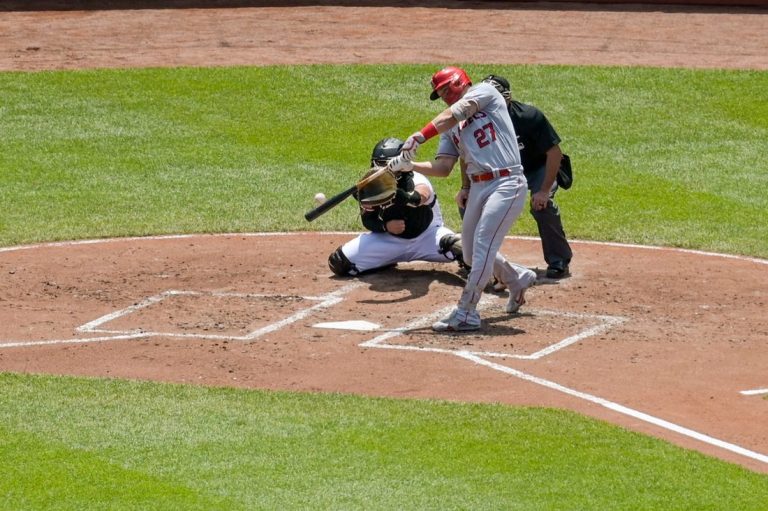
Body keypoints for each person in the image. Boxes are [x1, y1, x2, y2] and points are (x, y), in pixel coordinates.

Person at [388, 66, 537, 332]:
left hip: (507, 182)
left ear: (460, 81)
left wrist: (419, 136)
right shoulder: (452, 129)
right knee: (469, 254)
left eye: (446, 89)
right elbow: (443, 167)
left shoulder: (486, 93)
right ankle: (516, 278)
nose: (444, 96)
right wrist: (410, 165)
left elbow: (454, 113)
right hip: (479, 187)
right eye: (440, 92)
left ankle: (467, 311)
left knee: (482, 245)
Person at [475, 74, 573, 280]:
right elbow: (467, 156)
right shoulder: (479, 122)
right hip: (503, 171)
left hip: (538, 168)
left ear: (507, 98)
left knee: (542, 206)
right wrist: (467, 189)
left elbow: (554, 154)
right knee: (472, 204)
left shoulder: (529, 117)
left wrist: (544, 191)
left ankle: (559, 260)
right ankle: (480, 262)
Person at [327, 137, 467, 277]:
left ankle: (475, 271)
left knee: (459, 246)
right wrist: (385, 226)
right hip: (390, 241)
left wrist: (399, 195)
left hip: (429, 238)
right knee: (339, 262)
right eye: (379, 165)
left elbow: (420, 197)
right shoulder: (371, 187)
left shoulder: (416, 179)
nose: (382, 171)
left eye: (387, 166)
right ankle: (385, 260)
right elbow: (368, 221)